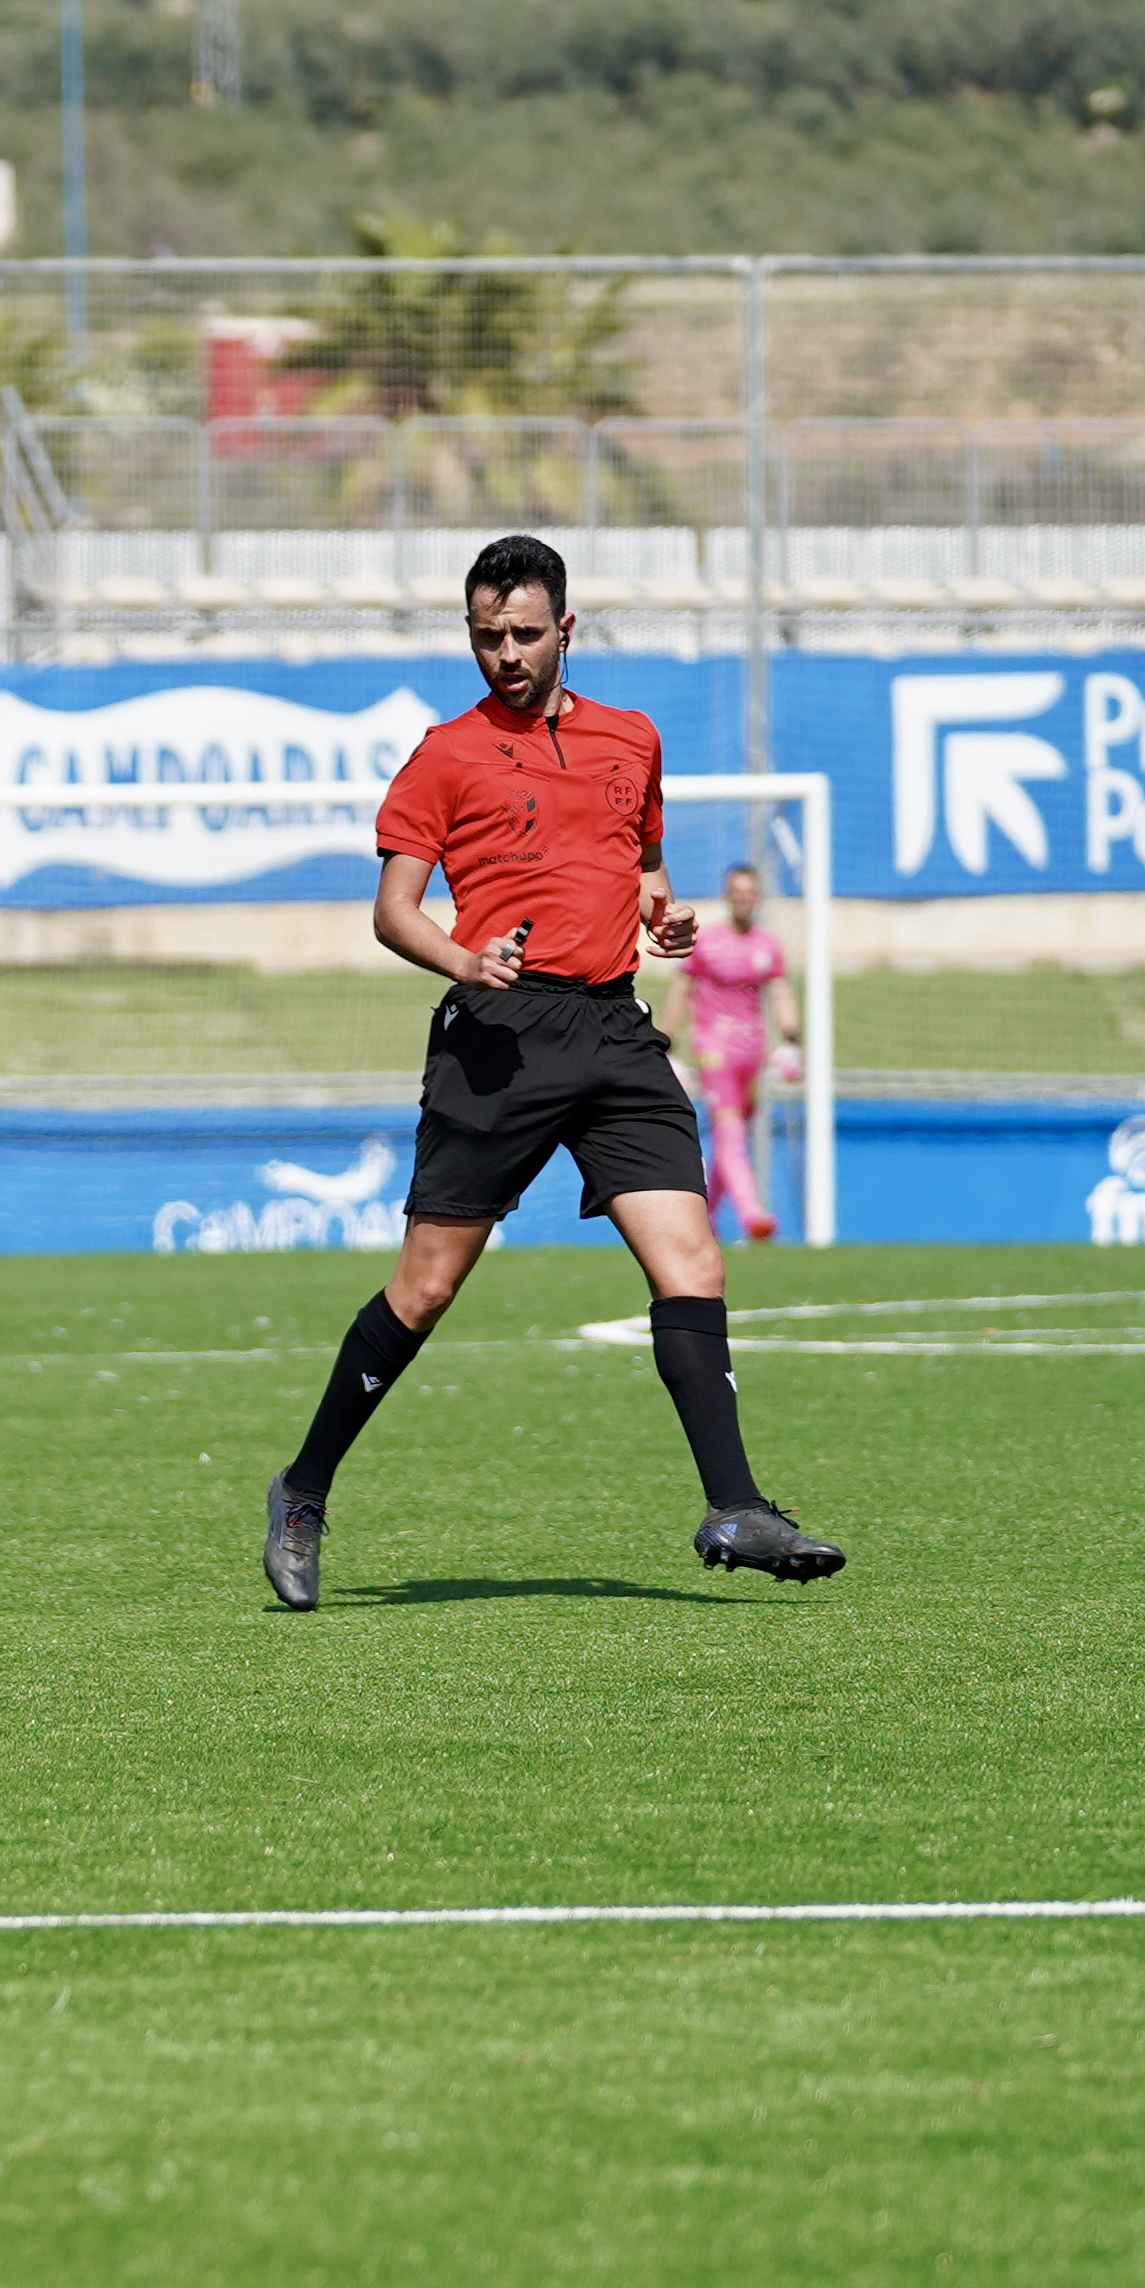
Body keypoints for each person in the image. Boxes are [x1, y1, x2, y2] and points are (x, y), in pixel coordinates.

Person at [259, 536, 841, 1613]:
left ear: (567, 629)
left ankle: (734, 1504)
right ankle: (302, 1487)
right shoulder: (446, 753)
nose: (505, 655)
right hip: (498, 1032)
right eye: (487, 636)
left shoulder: (632, 738)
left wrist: (662, 909)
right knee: (426, 1287)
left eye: (525, 634)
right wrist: (463, 955)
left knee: (694, 1262)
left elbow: (644, 856)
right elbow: (393, 911)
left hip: (613, 1029)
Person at [656, 861, 800, 1244]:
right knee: (730, 1128)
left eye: (749, 893)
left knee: (729, 1137)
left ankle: (707, 1218)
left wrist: (791, 1040)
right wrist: (667, 1042)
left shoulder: (765, 944)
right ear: (727, 895)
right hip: (713, 1047)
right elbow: (681, 987)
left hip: (751, 1052)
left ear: (757, 897)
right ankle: (752, 1214)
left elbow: (779, 989)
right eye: (737, 892)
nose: (743, 900)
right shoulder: (707, 942)